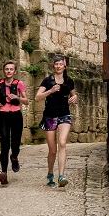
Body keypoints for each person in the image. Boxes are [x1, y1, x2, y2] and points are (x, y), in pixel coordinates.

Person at [36, 55, 76, 187]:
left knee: (62, 143)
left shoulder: (69, 81)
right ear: (53, 66)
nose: (58, 66)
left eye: (61, 64)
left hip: (64, 115)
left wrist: (74, 98)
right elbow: (37, 97)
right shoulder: (47, 81)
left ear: (64, 66)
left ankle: (62, 175)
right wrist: (50, 91)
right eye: (56, 64)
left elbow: (74, 95)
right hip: (49, 117)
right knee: (52, 150)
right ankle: (50, 174)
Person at [0, 61, 26, 185]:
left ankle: (14, 156)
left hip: (16, 115)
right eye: (6, 69)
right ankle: (3, 173)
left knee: (15, 142)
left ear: (15, 71)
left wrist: (17, 98)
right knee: (4, 144)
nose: (9, 71)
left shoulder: (19, 84)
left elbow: (26, 101)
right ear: (4, 71)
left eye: (11, 69)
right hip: (3, 115)